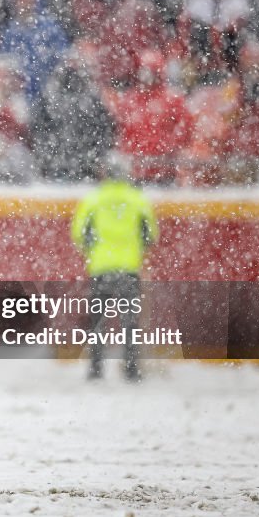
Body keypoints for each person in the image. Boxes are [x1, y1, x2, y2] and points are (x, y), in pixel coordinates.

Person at [70, 153, 158, 382]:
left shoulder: (93, 199)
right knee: (130, 321)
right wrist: (136, 251)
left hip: (101, 266)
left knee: (98, 321)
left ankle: (96, 368)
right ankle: (131, 369)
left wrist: (93, 252)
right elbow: (150, 234)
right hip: (129, 267)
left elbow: (79, 233)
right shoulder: (138, 199)